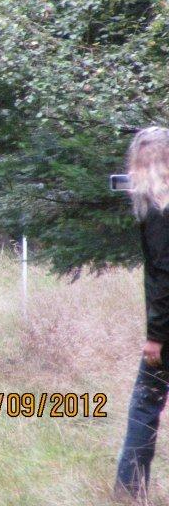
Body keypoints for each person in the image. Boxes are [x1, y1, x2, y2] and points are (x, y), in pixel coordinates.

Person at [114, 126, 169, 501]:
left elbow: (164, 273)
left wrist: (156, 336)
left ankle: (129, 491)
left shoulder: (159, 211)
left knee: (145, 403)